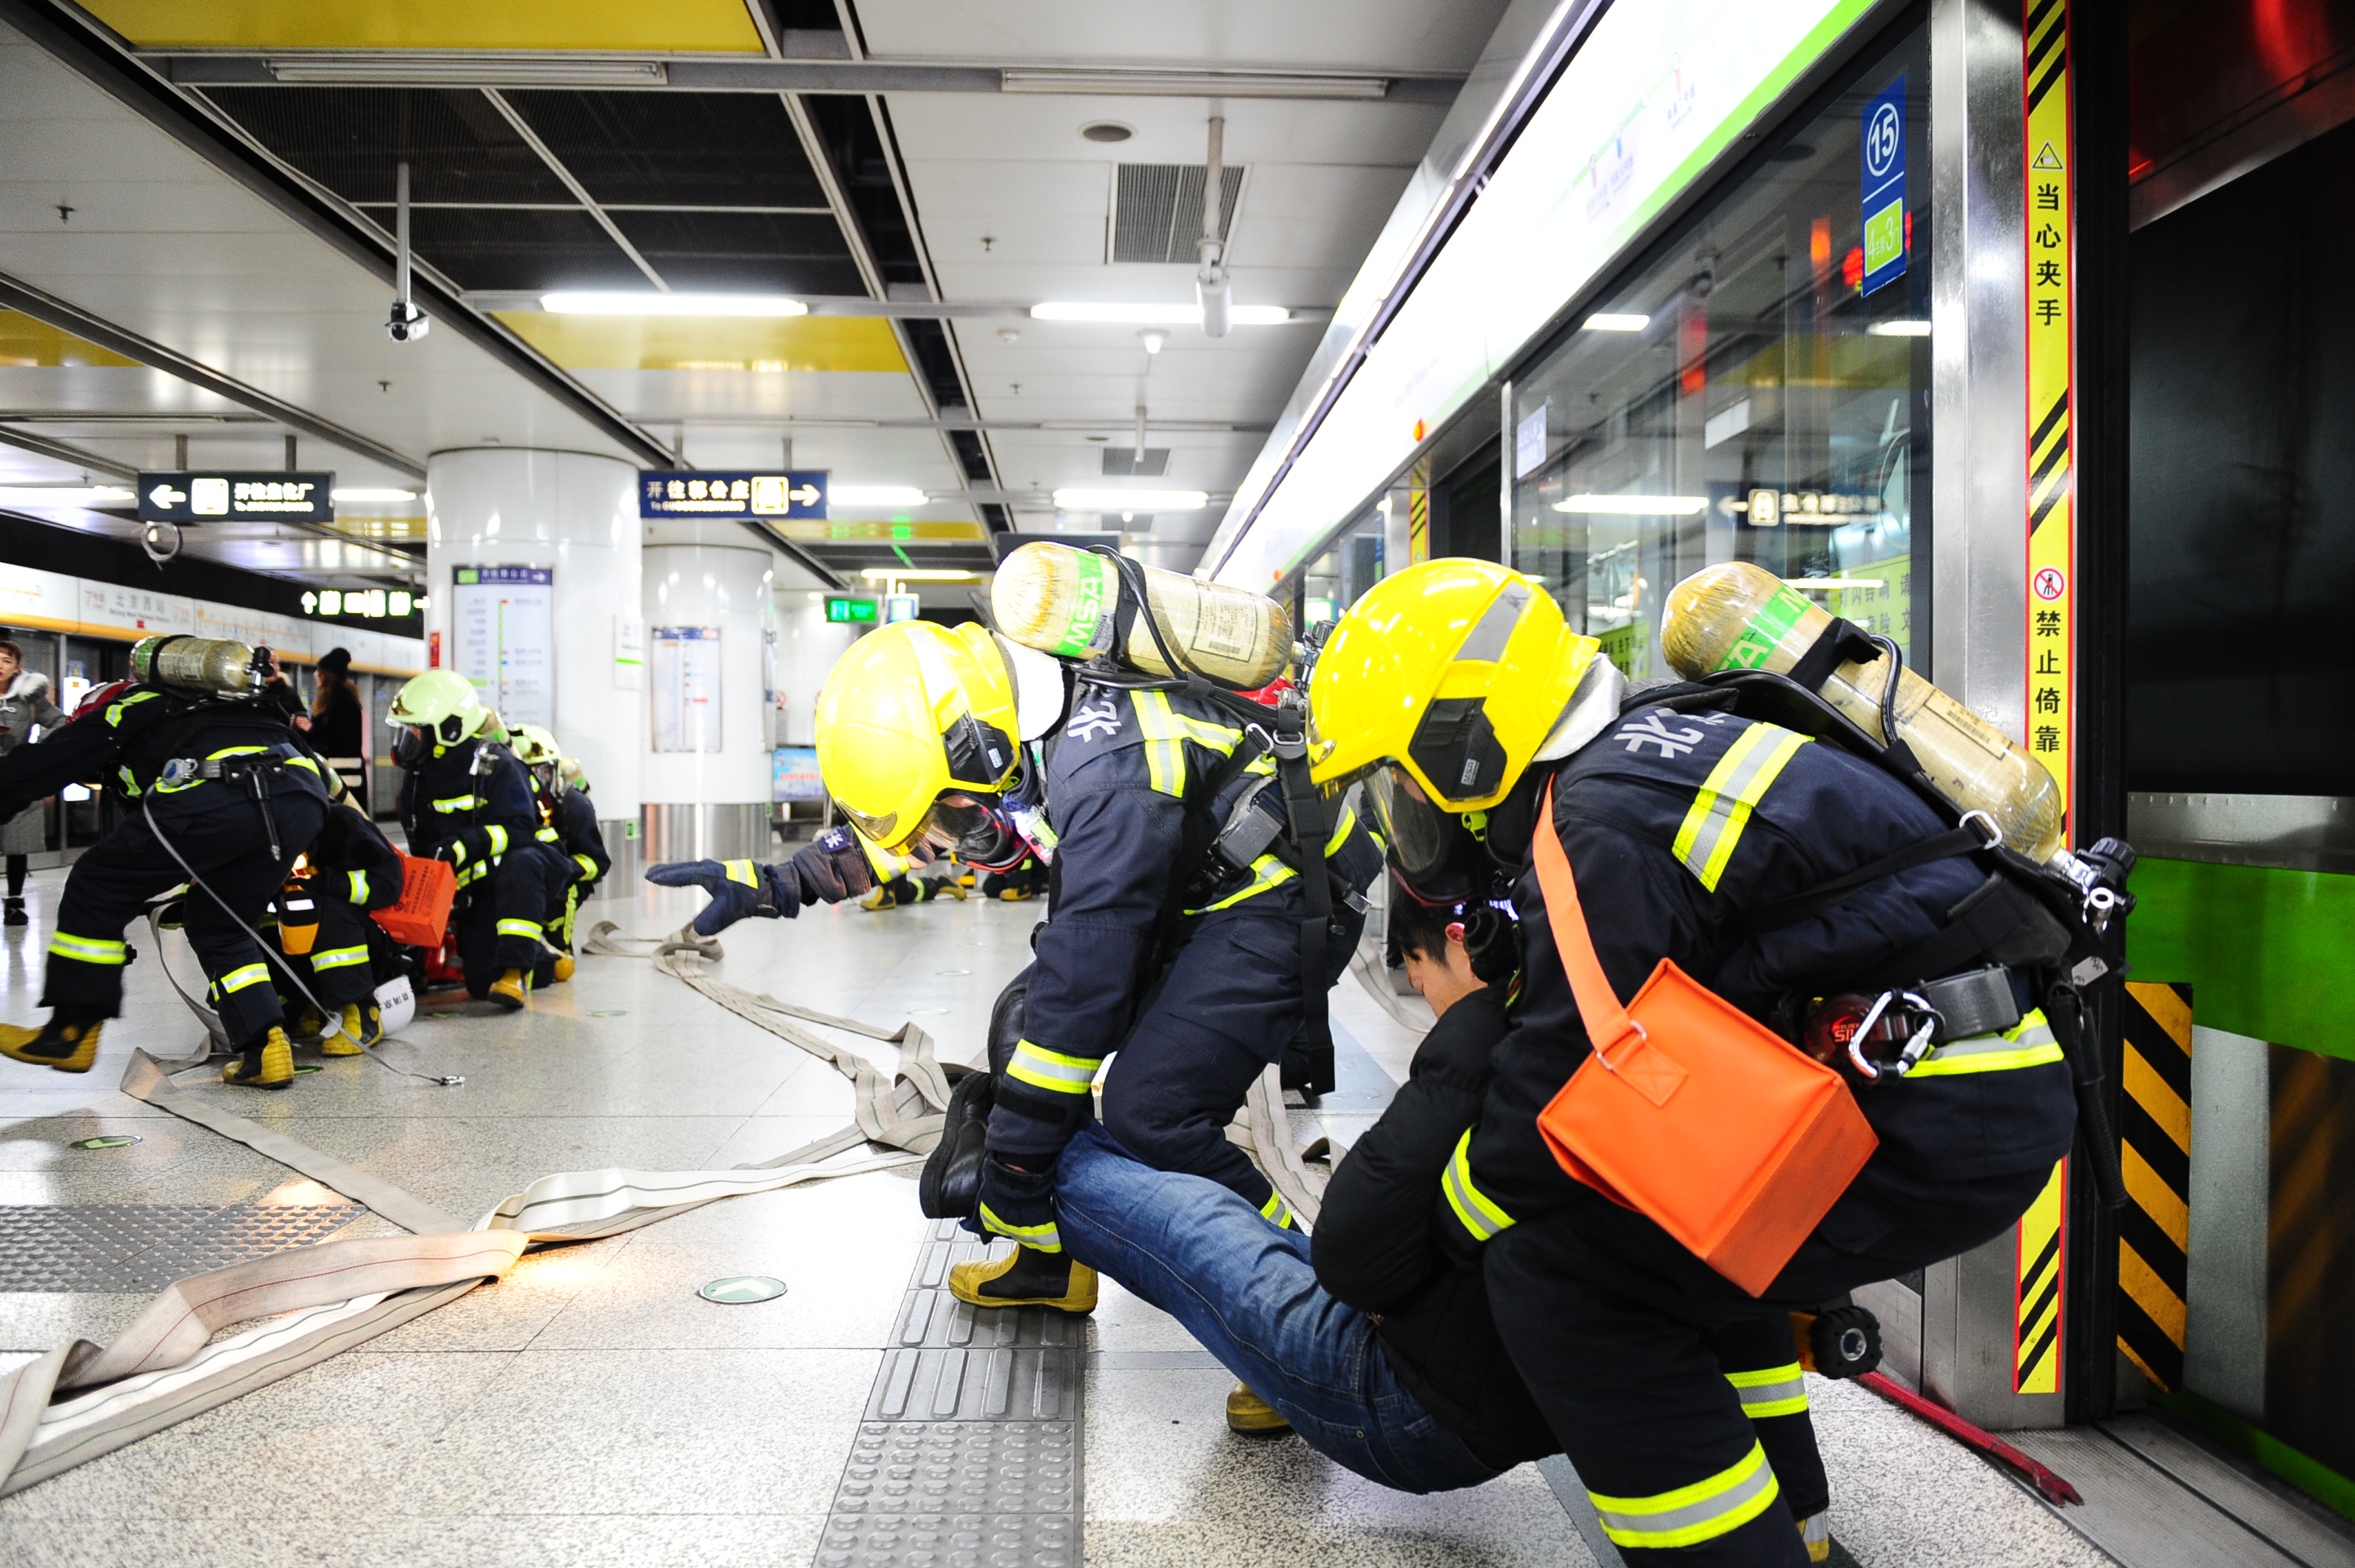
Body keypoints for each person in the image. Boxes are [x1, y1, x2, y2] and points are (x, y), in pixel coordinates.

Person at [1305, 559, 2093, 1567]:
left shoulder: (1593, 825)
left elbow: (1570, 1073)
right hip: (1961, 1074)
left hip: (1933, 1110)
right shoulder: (1643, 755)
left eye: (1401, 781)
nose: (1408, 817)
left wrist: (1444, 1230)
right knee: (1680, 1232)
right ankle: (1796, 1531)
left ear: (1467, 740)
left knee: (1563, 1267)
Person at [653, 614, 1381, 1324]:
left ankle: (1311, 1302)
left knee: (1152, 1109)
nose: (936, 846)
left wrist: (1017, 1167)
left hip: (1289, 895)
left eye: (941, 818)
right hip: (1206, 877)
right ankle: (1052, 1262)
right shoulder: (1025, 719)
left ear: (969, 750)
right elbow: (972, 829)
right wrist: (784, 879)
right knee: (1020, 1024)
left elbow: (1083, 987)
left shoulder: (1106, 773)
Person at [0, 636, 331, 1085]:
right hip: (300, 800)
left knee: (98, 880)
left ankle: (71, 1031)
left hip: (218, 793)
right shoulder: (237, 708)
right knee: (221, 923)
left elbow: (47, 764)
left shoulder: (130, 706)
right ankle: (265, 1047)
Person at [388, 671, 571, 1010]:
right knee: (479, 983)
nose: (406, 742)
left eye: (415, 732)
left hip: (530, 867)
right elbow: (422, 840)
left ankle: (517, 971)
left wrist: (463, 845)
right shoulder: (419, 778)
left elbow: (520, 829)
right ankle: (542, 954)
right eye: (405, 732)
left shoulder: (497, 765)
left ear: (452, 728)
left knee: (521, 863)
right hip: (480, 881)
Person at [508, 723, 608, 982]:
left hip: (566, 880)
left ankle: (560, 947)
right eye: (525, 775)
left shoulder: (573, 805)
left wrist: (560, 866)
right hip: (524, 873)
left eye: (543, 773)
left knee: (562, 895)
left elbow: (599, 863)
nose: (535, 784)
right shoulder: (508, 803)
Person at [0, 641, 64, 928]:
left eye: (6, 660)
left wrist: (36, 750)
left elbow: (61, 721)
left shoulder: (30, 696)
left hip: (16, 774)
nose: (0, 665)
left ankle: (14, 903)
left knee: (17, 842)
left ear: (17, 667)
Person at [308, 646, 365, 804]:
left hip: (344, 777)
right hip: (335, 775)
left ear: (327, 676)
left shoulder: (343, 702)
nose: (315, 675)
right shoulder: (331, 702)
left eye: (319, 671)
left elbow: (342, 738)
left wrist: (311, 729)